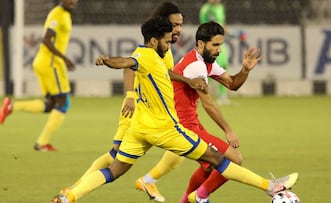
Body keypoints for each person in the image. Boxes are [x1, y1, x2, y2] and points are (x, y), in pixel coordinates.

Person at [51, 16, 298, 203]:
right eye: (168, 41)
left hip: (140, 128)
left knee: (113, 170)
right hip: (166, 128)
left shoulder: (153, 56)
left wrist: (190, 82)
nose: (170, 45)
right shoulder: (145, 57)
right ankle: (269, 186)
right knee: (217, 159)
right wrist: (107, 61)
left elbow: (165, 72)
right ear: (154, 40)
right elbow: (125, 63)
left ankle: (70, 196)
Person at [55, 2, 207, 203]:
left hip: (150, 113)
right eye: (175, 24)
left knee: (120, 158)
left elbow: (165, 74)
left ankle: (75, 191)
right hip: (135, 107)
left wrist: (188, 82)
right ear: (162, 24)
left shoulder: (166, 50)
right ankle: (73, 190)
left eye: (180, 25)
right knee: (115, 156)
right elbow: (129, 67)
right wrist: (130, 96)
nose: (178, 29)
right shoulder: (150, 47)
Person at [136, 20, 262, 203]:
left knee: (209, 167)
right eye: (215, 45)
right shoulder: (196, 65)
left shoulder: (206, 62)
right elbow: (209, 104)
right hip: (183, 126)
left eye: (221, 44)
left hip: (191, 123)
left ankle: (189, 198)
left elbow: (232, 84)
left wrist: (244, 70)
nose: (219, 49)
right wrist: (228, 130)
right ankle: (201, 196)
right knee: (234, 159)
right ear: (201, 44)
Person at [0, 0, 78, 151]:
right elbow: (46, 39)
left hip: (45, 62)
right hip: (51, 64)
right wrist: (65, 58)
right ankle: (42, 143)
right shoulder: (57, 14)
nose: (74, 0)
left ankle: (11, 106)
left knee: (50, 105)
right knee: (63, 103)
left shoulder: (64, 14)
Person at [199, 0, 230, 105]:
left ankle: (223, 97)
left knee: (224, 67)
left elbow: (222, 25)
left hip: (220, 42)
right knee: (210, 70)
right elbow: (211, 29)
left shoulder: (220, 7)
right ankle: (200, 94)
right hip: (211, 44)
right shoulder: (207, 9)